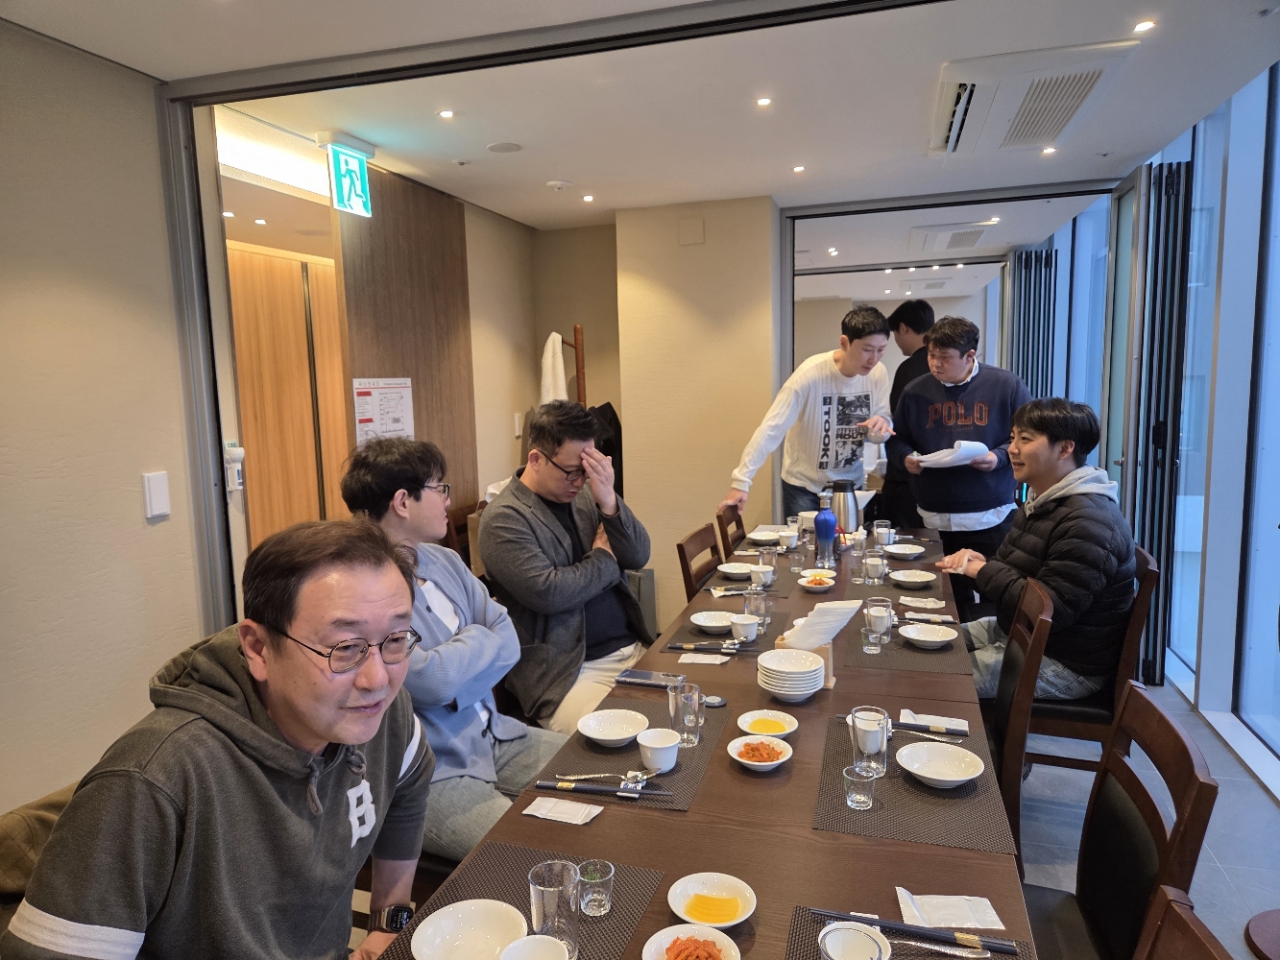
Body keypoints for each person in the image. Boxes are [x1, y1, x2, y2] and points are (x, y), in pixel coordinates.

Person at [1, 520, 434, 960]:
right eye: (345, 646)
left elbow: (412, 777)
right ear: (258, 648)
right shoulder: (152, 780)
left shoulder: (379, 716)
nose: (377, 678)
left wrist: (388, 922)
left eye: (396, 639)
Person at [341, 438, 568, 861]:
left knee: (600, 772)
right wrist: (480, 638)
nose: (448, 499)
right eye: (439, 488)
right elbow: (432, 682)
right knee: (530, 855)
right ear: (402, 502)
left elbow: (509, 641)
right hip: (433, 769)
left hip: (494, 734)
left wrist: (456, 679)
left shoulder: (442, 560)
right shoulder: (363, 586)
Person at [936, 398, 1137, 699]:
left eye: (1025, 439)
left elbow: (1051, 610)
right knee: (916, 645)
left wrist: (984, 571)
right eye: (1013, 437)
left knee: (934, 678)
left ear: (1065, 448)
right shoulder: (1042, 501)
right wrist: (983, 564)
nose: (1012, 449)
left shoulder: (1089, 522)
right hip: (1018, 631)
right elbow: (1013, 575)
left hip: (1064, 660)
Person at [479, 400, 653, 734]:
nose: (580, 481)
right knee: (620, 742)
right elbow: (551, 593)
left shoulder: (587, 493)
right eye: (572, 471)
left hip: (631, 648)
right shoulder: (504, 518)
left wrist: (609, 501)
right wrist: (604, 557)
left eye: (587, 469)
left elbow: (637, 556)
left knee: (688, 714)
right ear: (536, 459)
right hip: (568, 674)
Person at [886, 316, 1032, 621]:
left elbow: (1028, 438)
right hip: (933, 517)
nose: (935, 364)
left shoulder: (1005, 386)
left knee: (998, 600)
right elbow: (896, 440)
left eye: (944, 357)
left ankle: (993, 651)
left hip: (990, 516)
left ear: (969, 356)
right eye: (931, 355)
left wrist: (998, 457)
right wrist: (906, 459)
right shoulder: (915, 391)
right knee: (940, 605)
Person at [721, 305, 895, 519]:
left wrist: (882, 426)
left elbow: (881, 427)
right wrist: (742, 481)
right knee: (804, 542)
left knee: (851, 541)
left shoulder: (878, 373)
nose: (874, 359)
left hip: (850, 486)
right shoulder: (809, 375)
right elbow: (772, 429)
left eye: (881, 350)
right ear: (844, 343)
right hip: (804, 487)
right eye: (867, 350)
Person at [874, 299, 935, 529]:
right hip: (938, 478)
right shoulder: (946, 370)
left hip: (906, 476)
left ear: (903, 328)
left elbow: (896, 423)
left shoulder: (909, 369)